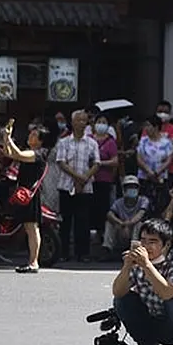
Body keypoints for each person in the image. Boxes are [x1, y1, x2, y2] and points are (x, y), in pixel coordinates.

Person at [1, 121, 50, 273]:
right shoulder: (29, 152)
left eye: (35, 135)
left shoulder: (38, 154)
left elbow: (18, 155)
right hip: (23, 194)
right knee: (29, 228)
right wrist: (6, 138)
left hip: (30, 195)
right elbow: (9, 153)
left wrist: (9, 138)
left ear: (40, 141)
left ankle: (34, 262)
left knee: (32, 227)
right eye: (31, 133)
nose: (30, 136)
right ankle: (32, 260)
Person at [56, 110, 101, 263]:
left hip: (85, 187)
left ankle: (83, 253)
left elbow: (97, 163)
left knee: (83, 221)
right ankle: (63, 252)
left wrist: (85, 178)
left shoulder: (92, 142)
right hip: (66, 186)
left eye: (84, 120)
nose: (82, 123)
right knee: (65, 221)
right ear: (73, 122)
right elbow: (61, 162)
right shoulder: (64, 142)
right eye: (79, 120)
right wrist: (77, 177)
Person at [103, 176, 150, 257]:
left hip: (134, 231)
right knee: (109, 224)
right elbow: (109, 214)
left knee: (139, 224)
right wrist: (121, 224)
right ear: (124, 189)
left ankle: (134, 250)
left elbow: (140, 215)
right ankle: (107, 250)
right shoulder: (119, 202)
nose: (132, 189)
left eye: (134, 187)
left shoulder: (143, 200)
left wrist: (128, 225)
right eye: (129, 187)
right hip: (122, 229)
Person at [91, 116, 120, 241]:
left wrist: (100, 163)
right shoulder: (89, 140)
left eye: (104, 122)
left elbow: (115, 161)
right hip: (89, 179)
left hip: (104, 179)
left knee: (103, 206)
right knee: (91, 207)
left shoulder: (110, 142)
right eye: (99, 122)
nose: (101, 125)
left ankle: (102, 233)